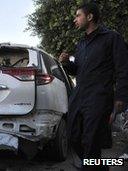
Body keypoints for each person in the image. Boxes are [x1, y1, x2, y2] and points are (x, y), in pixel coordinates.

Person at [59, 3, 128, 170]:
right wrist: (67, 63)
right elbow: (79, 71)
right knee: (73, 137)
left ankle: (91, 167)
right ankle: (99, 166)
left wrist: (120, 97)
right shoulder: (81, 44)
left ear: (89, 17)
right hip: (79, 96)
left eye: (78, 15)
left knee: (91, 141)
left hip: (99, 97)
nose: (75, 19)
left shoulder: (112, 38)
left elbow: (123, 69)